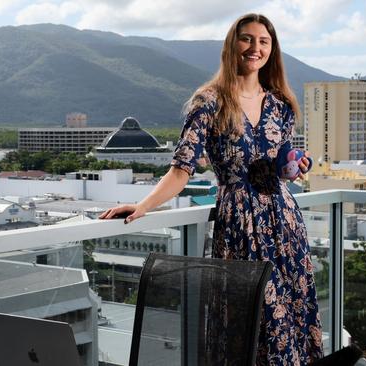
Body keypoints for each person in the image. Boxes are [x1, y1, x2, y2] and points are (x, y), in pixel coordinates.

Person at [99, 13, 323, 365]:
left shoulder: (281, 105)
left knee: (291, 318)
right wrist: (142, 207)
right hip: (240, 225)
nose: (255, 48)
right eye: (247, 39)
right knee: (255, 322)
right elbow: (181, 169)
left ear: (272, 50)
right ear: (232, 44)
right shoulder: (209, 102)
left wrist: (294, 165)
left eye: (264, 42)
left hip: (286, 222)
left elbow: (281, 160)